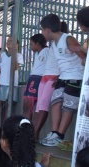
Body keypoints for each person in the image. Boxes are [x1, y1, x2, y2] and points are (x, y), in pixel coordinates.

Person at [40, 14, 85, 146]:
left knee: (68, 107)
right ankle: (54, 132)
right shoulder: (53, 43)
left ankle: (59, 135)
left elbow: (83, 58)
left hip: (76, 77)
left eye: (42, 30)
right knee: (55, 101)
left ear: (47, 30)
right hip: (63, 77)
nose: (42, 33)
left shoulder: (68, 39)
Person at [32, 21, 69, 141]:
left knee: (43, 105)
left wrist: (58, 77)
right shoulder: (53, 43)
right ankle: (33, 133)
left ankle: (35, 134)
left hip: (53, 77)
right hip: (45, 76)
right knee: (39, 106)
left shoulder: (63, 42)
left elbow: (63, 62)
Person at [0, 37, 24, 126]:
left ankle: (4, 128)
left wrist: (14, 53)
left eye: (11, 41)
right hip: (2, 84)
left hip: (12, 84)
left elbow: (15, 68)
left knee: (7, 106)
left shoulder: (19, 55)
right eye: (8, 41)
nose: (9, 42)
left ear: (16, 45)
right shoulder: (2, 55)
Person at [23, 34, 48, 120]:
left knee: (29, 104)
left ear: (37, 44)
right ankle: (25, 125)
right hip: (32, 78)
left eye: (31, 44)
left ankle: (28, 128)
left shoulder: (46, 51)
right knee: (26, 104)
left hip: (38, 79)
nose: (31, 47)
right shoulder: (38, 53)